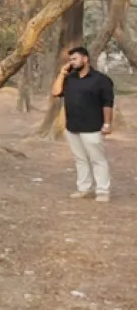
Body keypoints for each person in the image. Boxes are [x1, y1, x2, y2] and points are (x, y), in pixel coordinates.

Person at [52, 46, 114, 203]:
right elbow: (56, 92)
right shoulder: (69, 78)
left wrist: (107, 124)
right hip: (73, 126)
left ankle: (102, 190)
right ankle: (84, 188)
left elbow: (108, 104)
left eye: (75, 59)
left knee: (97, 159)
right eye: (70, 59)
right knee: (80, 159)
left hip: (92, 127)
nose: (71, 62)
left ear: (85, 59)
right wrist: (62, 73)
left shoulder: (101, 80)